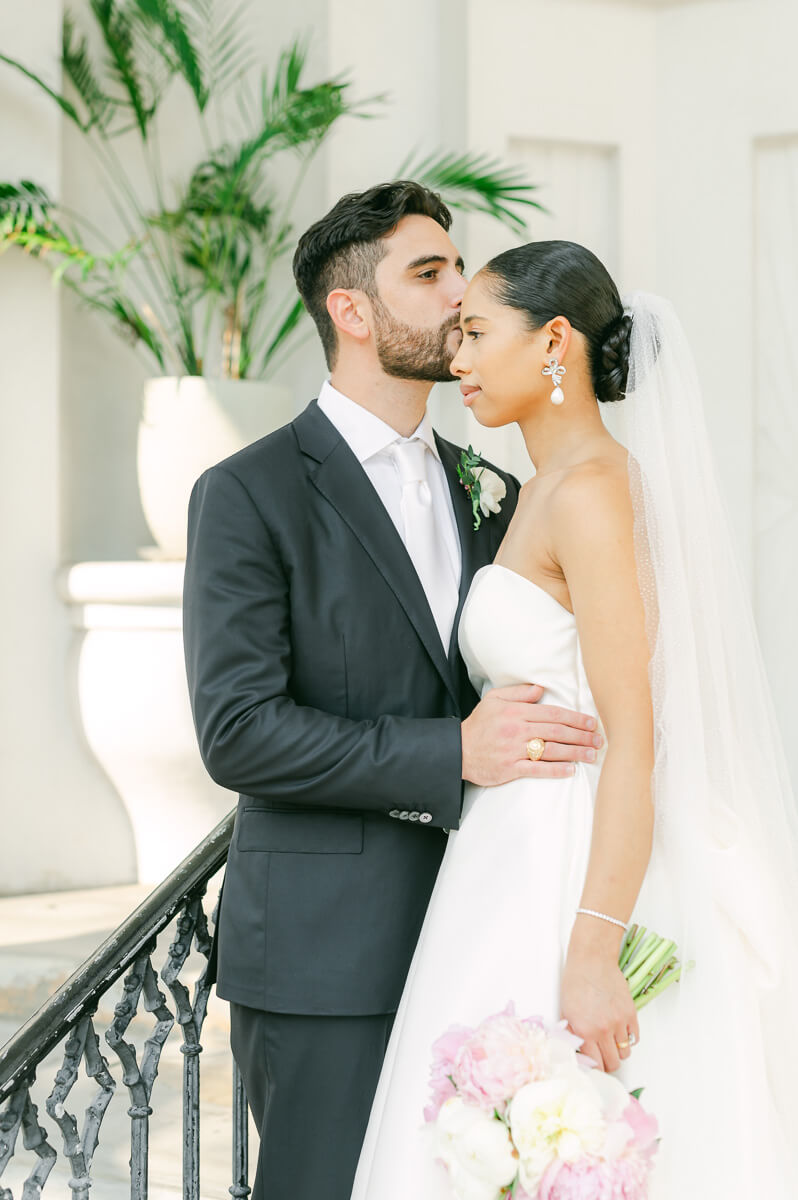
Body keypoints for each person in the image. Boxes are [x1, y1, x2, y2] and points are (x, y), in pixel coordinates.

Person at [351, 241, 798, 1198]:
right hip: (507, 852)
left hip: (571, 860)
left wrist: (594, 950)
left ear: (555, 342)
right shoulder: (535, 489)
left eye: (475, 331)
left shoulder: (593, 491)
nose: (455, 356)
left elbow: (637, 732)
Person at [182, 186, 600, 1200]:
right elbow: (237, 732)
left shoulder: (490, 486)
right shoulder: (248, 494)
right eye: (429, 273)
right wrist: (449, 752)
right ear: (351, 311)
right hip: (330, 956)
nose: (463, 294)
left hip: (484, 934)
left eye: (461, 268)